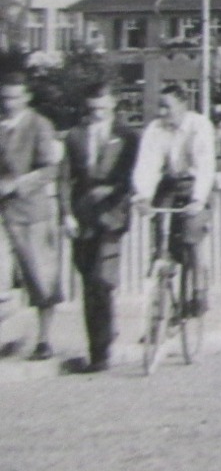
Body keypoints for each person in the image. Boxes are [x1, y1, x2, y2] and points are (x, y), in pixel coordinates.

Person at [60, 83, 139, 373]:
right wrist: (66, 214)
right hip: (83, 218)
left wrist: (111, 192)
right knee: (88, 281)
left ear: (113, 105)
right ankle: (104, 333)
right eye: (92, 109)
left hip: (112, 217)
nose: (97, 114)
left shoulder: (127, 137)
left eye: (103, 108)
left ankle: (99, 352)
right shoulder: (75, 136)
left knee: (101, 281)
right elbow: (64, 179)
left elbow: (132, 177)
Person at [131, 84, 218, 317]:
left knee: (191, 234)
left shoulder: (199, 126)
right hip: (169, 184)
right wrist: (143, 196)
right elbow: (148, 164)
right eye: (160, 106)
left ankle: (199, 290)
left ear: (182, 105)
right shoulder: (155, 129)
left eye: (167, 106)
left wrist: (198, 200)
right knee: (160, 240)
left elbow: (205, 165)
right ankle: (159, 312)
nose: (162, 112)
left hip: (195, 183)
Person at [0, 73, 63, 360]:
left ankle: (44, 339)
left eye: (14, 97)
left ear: (26, 98)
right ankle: (10, 336)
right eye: (4, 97)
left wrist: (17, 184)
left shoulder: (40, 126)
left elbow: (49, 169)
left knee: (40, 277)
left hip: (31, 214)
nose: (8, 103)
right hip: (4, 214)